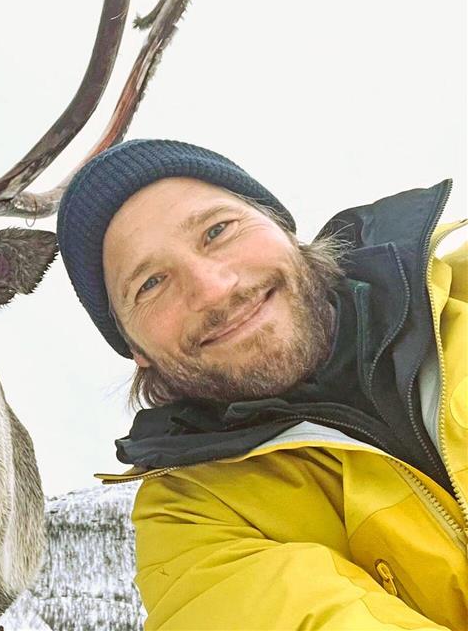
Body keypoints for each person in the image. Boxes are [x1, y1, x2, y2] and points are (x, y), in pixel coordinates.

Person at [55, 139, 467, 629]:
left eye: (217, 230)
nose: (213, 288)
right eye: (150, 283)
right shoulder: (193, 525)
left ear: (282, 228)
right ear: (137, 350)